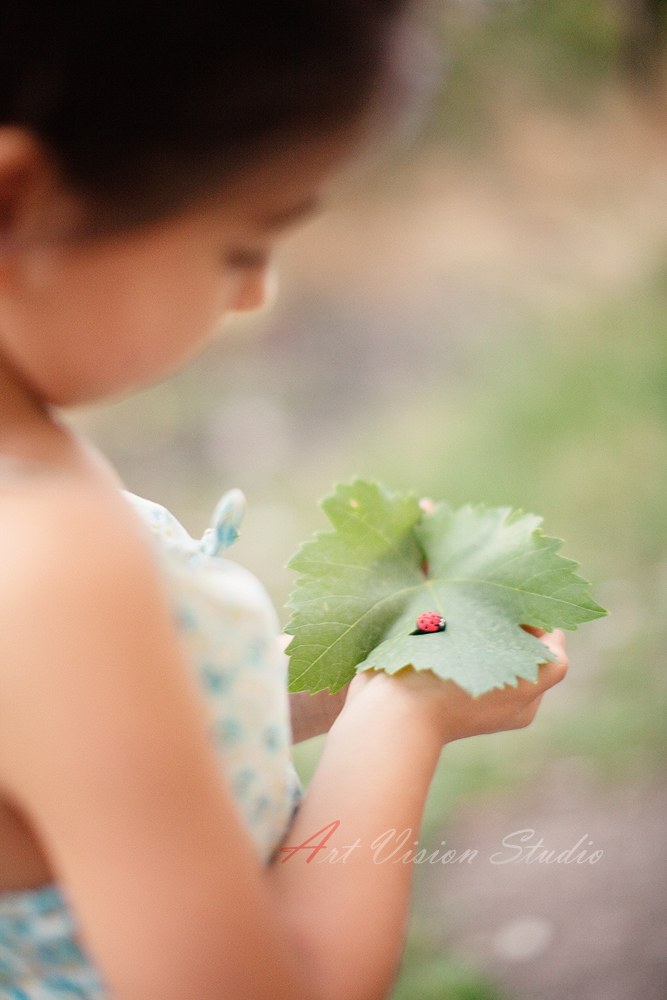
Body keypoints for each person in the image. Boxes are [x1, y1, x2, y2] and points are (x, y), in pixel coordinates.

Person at [0, 3, 568, 999]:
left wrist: (327, 681)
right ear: (14, 203)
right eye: (239, 242)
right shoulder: (49, 555)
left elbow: (95, 766)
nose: (257, 293)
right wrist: (403, 713)